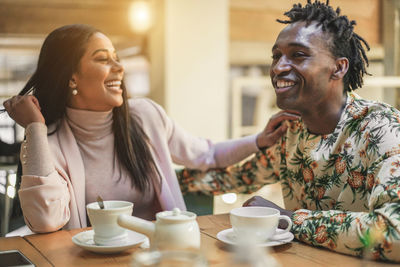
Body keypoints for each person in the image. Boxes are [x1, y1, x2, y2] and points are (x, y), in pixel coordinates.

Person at [2, 24, 298, 233]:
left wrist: (258, 140)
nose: (119, 68)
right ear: (71, 78)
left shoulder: (146, 116)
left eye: (116, 58)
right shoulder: (49, 140)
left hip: (162, 254)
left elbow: (206, 154)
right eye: (103, 59)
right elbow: (45, 220)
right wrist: (36, 129)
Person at [178, 0, 400, 262]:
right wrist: (149, 179)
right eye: (276, 56)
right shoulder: (291, 132)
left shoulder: (382, 128)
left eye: (298, 55)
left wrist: (289, 218)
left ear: (338, 68)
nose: (278, 68)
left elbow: (394, 233)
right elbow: (233, 179)